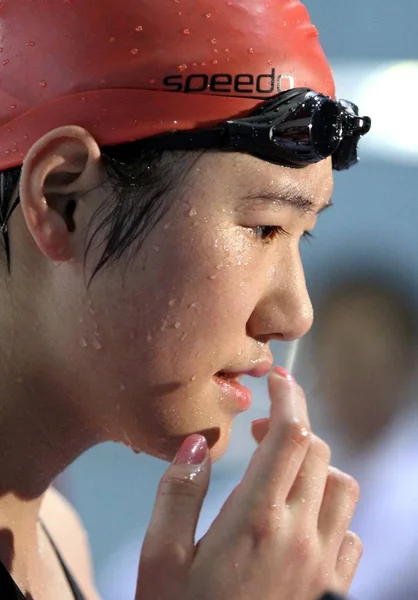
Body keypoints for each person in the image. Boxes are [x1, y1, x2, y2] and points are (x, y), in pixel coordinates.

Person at [0, 1, 370, 599]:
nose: (295, 315)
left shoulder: (57, 540)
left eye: (302, 238)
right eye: (264, 228)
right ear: (63, 200)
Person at [308, 267, 418, 600]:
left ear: (408, 360)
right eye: (334, 350)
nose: (345, 371)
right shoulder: (301, 462)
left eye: (363, 352)